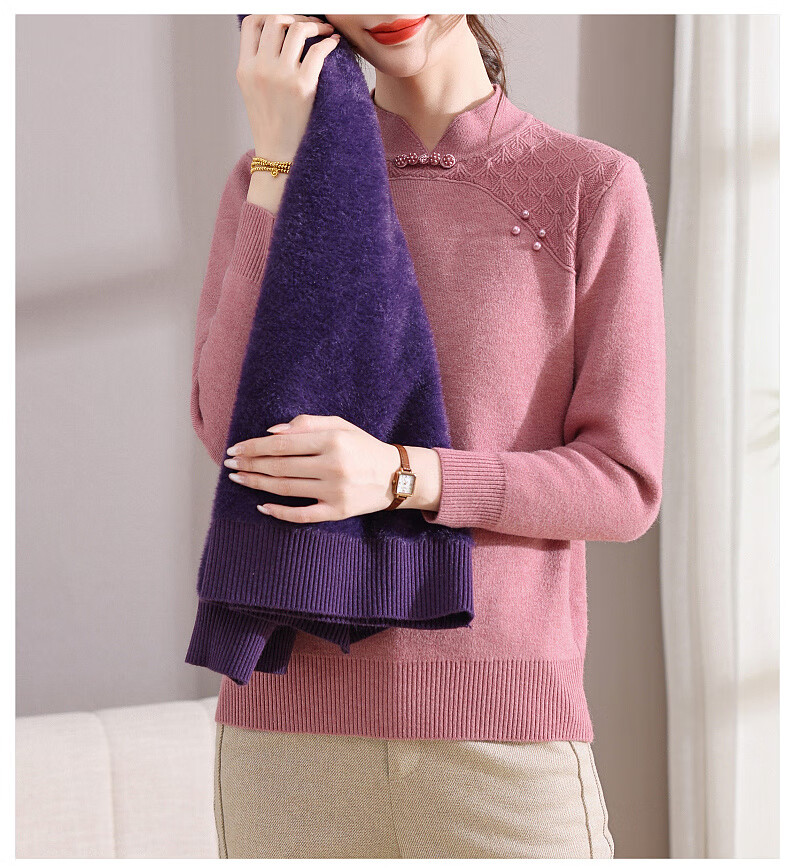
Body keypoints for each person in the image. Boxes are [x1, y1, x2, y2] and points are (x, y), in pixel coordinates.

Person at [193, 12, 664, 859]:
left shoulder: (589, 185)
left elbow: (622, 485)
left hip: (503, 742)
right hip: (287, 749)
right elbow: (228, 428)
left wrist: (405, 475)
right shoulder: (271, 172)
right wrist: (279, 163)